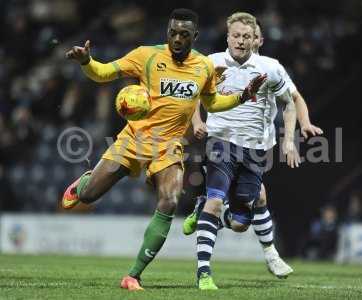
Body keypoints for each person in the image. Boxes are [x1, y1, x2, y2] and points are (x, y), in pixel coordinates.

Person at [62, 8, 266, 291]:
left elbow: (212, 103)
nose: (177, 39)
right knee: (89, 195)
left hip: (169, 147)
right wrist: (87, 62)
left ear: (194, 36)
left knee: (169, 201)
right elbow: (105, 72)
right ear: (167, 33)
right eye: (173, 33)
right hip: (133, 140)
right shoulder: (146, 55)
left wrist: (242, 96)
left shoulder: (204, 67)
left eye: (184, 34)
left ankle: (133, 275)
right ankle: (84, 182)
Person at [183, 13, 322, 290]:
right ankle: (204, 273)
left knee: (240, 222)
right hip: (221, 142)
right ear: (228, 37)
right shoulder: (211, 63)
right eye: (237, 35)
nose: (242, 41)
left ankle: (206, 212)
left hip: (256, 149)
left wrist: (289, 140)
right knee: (215, 199)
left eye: (247, 36)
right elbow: (193, 97)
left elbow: (290, 101)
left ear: (255, 39)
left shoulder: (270, 68)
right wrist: (198, 122)